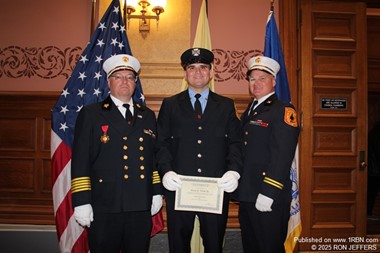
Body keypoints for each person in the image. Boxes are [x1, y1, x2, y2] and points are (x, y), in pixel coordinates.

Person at [70, 54, 163, 253]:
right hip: (104, 204)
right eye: (118, 77)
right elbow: (80, 160)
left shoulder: (146, 115)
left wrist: (156, 191)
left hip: (139, 203)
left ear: (135, 82)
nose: (124, 82)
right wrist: (82, 201)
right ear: (108, 82)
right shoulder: (92, 113)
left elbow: (152, 158)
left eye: (130, 77)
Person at [156, 47, 243, 253]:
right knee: (178, 245)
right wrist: (165, 170)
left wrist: (234, 170)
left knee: (214, 245)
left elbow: (236, 143)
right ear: (185, 73)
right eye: (192, 67)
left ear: (211, 72)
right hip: (179, 188)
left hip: (215, 188)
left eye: (203, 67)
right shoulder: (170, 105)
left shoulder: (226, 105)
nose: (198, 72)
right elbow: (161, 143)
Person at [233, 56, 300, 252]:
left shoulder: (284, 110)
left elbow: (283, 155)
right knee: (251, 245)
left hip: (268, 195)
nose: (256, 83)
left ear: (274, 81)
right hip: (248, 193)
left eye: (262, 78)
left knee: (268, 247)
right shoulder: (251, 110)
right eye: (252, 79)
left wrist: (268, 192)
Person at [367, 122, 380, 221]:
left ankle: (368, 213)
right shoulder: (377, 135)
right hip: (375, 169)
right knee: (371, 192)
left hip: (373, 168)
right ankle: (368, 213)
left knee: (371, 192)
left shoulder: (374, 133)